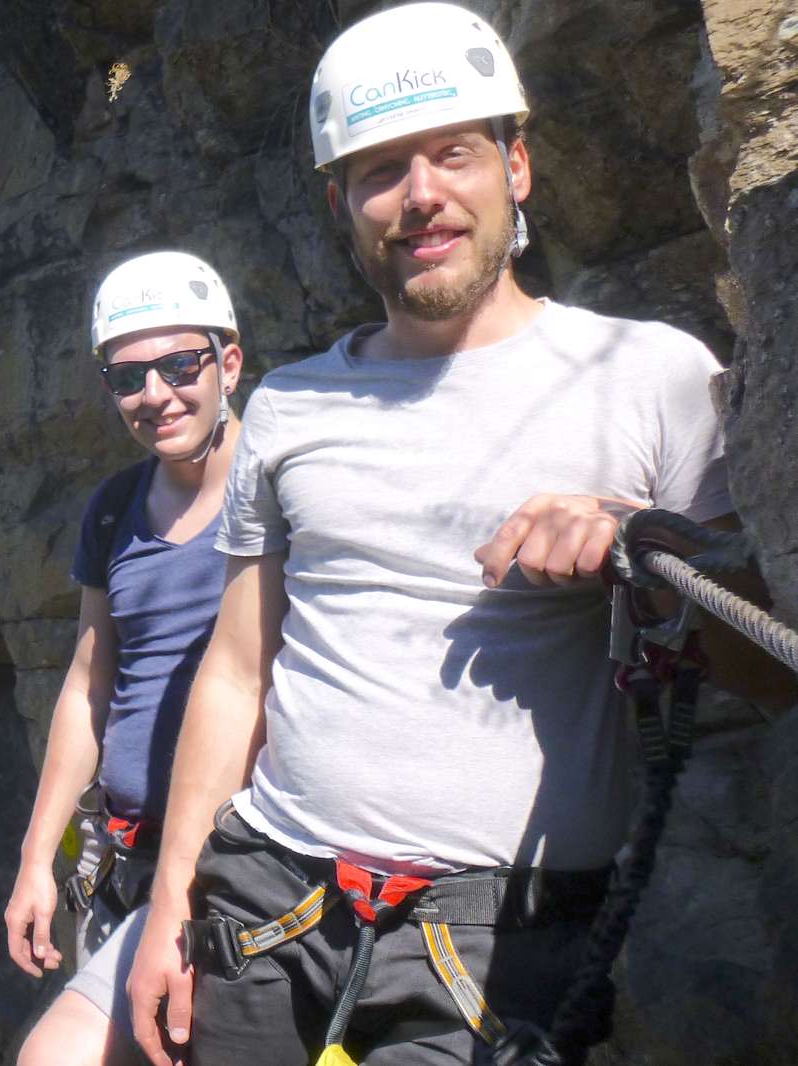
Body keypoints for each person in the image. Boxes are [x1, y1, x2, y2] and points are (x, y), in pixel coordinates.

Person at [123, 4, 792, 1064]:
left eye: (452, 153)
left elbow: (768, 668)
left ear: (515, 167)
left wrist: (642, 542)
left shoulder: (652, 374)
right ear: (339, 202)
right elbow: (237, 669)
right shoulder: (290, 408)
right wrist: (169, 905)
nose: (420, 195)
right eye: (378, 169)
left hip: (502, 936)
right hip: (265, 901)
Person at [5, 251, 244, 1066]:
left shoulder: (281, 488)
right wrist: (39, 858)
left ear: (229, 361)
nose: (155, 394)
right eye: (128, 376)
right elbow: (89, 682)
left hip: (244, 871)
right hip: (128, 862)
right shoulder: (116, 511)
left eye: (180, 364)